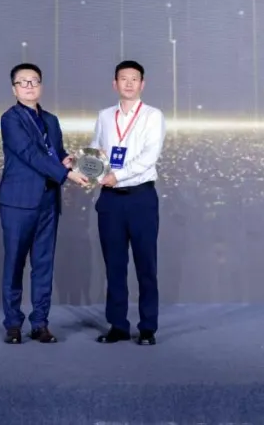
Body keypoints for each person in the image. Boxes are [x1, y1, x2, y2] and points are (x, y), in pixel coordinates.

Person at [0, 63, 89, 344]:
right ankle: (13, 324)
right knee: (14, 264)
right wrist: (66, 174)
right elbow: (29, 154)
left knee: (44, 264)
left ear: (41, 86)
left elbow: (54, 153)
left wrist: (67, 160)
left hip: (48, 200)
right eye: (23, 82)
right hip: (18, 202)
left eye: (34, 81)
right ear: (14, 89)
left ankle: (40, 324)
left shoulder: (51, 120)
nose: (29, 86)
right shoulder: (10, 119)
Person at [90, 60, 166, 346]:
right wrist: (84, 165)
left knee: (146, 265)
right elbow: (97, 148)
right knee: (114, 266)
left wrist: (116, 175)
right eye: (124, 78)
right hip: (110, 201)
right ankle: (118, 325)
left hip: (140, 198)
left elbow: (149, 157)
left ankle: (147, 327)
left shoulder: (152, 116)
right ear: (115, 84)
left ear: (142, 84)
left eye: (135, 79)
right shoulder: (105, 116)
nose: (129, 83)